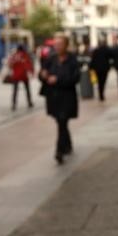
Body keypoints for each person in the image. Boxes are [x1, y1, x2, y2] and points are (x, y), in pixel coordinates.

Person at [39, 34, 81, 164]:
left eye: (60, 44)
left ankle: (59, 150)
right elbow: (42, 74)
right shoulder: (50, 59)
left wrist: (58, 79)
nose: (57, 47)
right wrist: (43, 75)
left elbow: (75, 78)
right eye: (55, 44)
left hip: (67, 97)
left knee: (62, 122)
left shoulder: (73, 60)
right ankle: (68, 145)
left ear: (66, 45)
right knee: (61, 122)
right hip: (53, 97)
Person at [8, 44, 34, 110]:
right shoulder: (25, 55)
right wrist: (31, 71)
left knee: (15, 90)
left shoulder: (15, 55)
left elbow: (10, 64)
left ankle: (13, 104)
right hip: (24, 75)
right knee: (27, 89)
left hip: (16, 75)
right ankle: (29, 102)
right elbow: (29, 64)